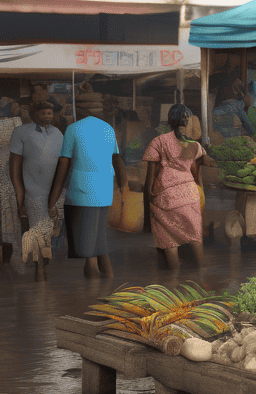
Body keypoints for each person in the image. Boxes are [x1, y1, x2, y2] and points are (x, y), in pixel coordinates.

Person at [47, 114, 128, 279]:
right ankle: (106, 283)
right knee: (98, 239)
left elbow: (64, 163)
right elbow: (116, 159)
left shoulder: (73, 129)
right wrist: (123, 186)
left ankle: (92, 294)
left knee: (90, 252)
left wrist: (52, 200)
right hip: (104, 190)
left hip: (82, 192)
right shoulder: (107, 128)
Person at [142, 103, 205, 270]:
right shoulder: (193, 145)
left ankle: (173, 281)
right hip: (190, 195)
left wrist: (146, 217)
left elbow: (148, 182)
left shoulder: (159, 141)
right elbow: (196, 170)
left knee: (169, 239)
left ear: (170, 120)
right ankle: (202, 275)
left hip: (166, 197)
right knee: (195, 236)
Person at [9, 99, 64, 281]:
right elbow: (14, 166)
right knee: (37, 230)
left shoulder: (58, 134)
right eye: (43, 113)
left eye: (50, 113)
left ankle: (43, 265)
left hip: (55, 191)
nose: (47, 116)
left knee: (52, 231)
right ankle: (39, 270)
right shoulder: (21, 132)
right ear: (34, 114)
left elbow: (63, 164)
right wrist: (20, 194)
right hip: (33, 189)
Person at [0, 111, 23, 274]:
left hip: (8, 192)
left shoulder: (13, 149)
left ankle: (6, 263)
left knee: (7, 230)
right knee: (7, 230)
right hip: (8, 192)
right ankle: (6, 263)